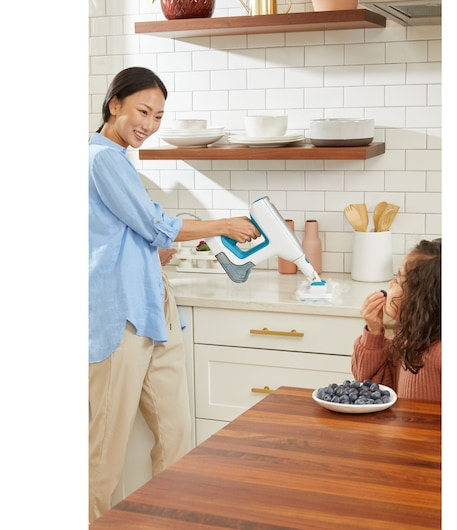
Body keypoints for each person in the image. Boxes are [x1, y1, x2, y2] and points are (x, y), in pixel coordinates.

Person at [89, 66, 261, 523]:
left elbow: (132, 231)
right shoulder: (101, 158)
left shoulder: (119, 159)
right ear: (115, 105)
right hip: (119, 319)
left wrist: (153, 249)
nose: (149, 124)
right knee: (104, 451)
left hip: (152, 308)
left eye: (159, 116)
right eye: (143, 111)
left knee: (176, 434)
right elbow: (154, 225)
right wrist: (224, 225)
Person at [351, 238, 441, 402]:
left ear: (421, 299)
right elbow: (371, 390)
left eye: (399, 281)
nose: (391, 284)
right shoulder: (407, 343)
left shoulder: (439, 354)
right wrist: (374, 332)